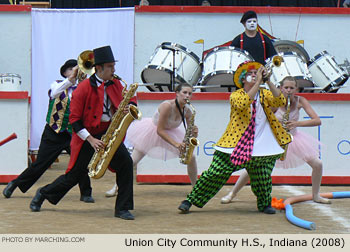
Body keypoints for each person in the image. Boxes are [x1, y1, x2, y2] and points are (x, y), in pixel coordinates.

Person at [29, 45, 137, 220]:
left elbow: (130, 100)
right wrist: (91, 140)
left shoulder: (117, 83)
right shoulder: (83, 88)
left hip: (110, 133)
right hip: (87, 136)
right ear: (99, 68)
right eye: (110, 66)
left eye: (113, 65)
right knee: (74, 176)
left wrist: (129, 108)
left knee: (126, 164)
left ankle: (122, 208)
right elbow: (74, 120)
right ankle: (43, 193)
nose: (114, 69)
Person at [177, 61, 291, 215]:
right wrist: (258, 82)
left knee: (263, 176)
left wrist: (268, 80)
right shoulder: (236, 95)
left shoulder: (265, 94)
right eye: (251, 73)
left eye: (256, 72)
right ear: (243, 79)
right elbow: (243, 104)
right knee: (214, 174)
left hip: (262, 145)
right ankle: (190, 200)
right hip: (235, 144)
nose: (254, 74)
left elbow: (281, 101)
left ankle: (264, 204)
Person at [221, 76, 331, 204]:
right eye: (286, 88)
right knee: (253, 167)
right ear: (280, 88)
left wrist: (297, 123)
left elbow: (317, 120)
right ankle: (232, 194)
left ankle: (316, 195)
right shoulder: (274, 101)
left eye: (292, 88)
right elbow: (262, 119)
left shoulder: (300, 100)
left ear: (296, 89)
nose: (289, 90)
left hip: (293, 139)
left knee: (318, 164)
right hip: (274, 140)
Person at [2, 59, 94, 203]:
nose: (76, 70)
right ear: (65, 72)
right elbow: (54, 94)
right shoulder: (57, 84)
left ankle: (86, 192)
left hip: (74, 133)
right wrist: (71, 79)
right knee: (40, 165)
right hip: (53, 133)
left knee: (80, 164)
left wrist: (83, 82)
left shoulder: (85, 88)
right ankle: (15, 183)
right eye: (71, 68)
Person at [105, 83, 199, 197]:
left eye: (190, 93)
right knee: (132, 161)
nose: (187, 96)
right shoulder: (167, 106)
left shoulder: (188, 112)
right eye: (184, 92)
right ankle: (116, 187)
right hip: (152, 132)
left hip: (171, 133)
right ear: (177, 93)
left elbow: (189, 134)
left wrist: (194, 133)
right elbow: (160, 131)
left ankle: (195, 188)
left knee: (192, 157)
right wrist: (176, 144)